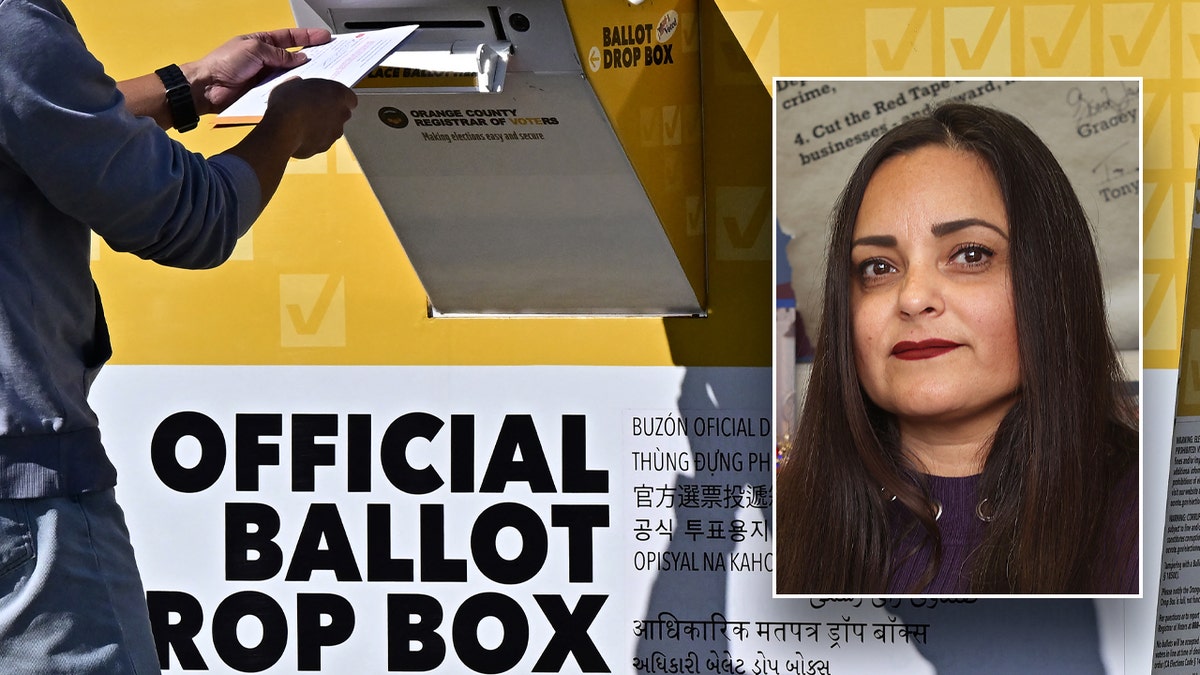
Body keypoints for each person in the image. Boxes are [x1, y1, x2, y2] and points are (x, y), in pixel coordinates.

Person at [0, 0, 358, 671]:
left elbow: (32, 117)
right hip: (20, 494)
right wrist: (285, 129)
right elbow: (189, 217)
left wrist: (186, 86)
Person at [775, 102, 1139, 595]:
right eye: (879, 267)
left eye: (970, 255)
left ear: (1053, 284)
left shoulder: (1154, 510)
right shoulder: (767, 527)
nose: (913, 297)